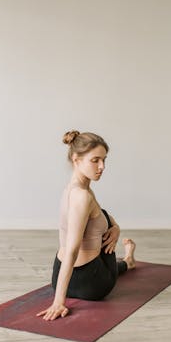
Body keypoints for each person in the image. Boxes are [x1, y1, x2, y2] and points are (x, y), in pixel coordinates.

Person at [36, 130, 136, 321]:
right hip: (92, 284)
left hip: (58, 278)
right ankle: (128, 262)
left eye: (104, 160)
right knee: (102, 220)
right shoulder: (83, 197)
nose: (102, 166)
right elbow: (73, 250)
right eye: (95, 160)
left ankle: (126, 257)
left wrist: (115, 228)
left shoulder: (72, 190)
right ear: (76, 159)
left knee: (100, 217)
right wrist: (58, 302)